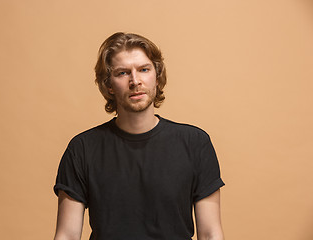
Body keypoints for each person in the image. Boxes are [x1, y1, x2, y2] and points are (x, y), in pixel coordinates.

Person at [53, 32, 225, 240]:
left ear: (157, 76)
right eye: (123, 73)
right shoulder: (82, 149)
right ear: (108, 85)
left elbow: (210, 234)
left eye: (144, 69)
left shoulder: (195, 143)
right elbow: (67, 236)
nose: (135, 81)